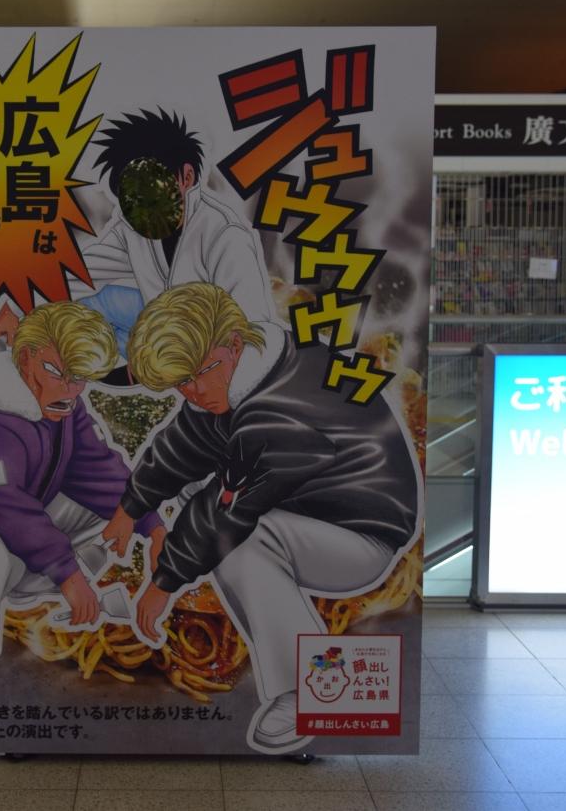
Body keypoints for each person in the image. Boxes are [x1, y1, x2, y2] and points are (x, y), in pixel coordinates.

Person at [101, 283, 420, 753]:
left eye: (198, 375)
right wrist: (131, 507)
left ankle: (304, 691)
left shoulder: (275, 410)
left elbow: (226, 509)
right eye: (180, 383)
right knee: (229, 536)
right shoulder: (244, 371)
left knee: (240, 542)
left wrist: (162, 583)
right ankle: (295, 663)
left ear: (233, 343)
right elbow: (184, 444)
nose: (193, 392)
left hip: (362, 533)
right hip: (311, 509)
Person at [0, 300, 164, 697]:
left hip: (25, 507)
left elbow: (96, 467)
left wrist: (150, 523)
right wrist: (68, 574)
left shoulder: (65, 401)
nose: (69, 391)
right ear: (25, 357)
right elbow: (0, 505)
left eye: (79, 378)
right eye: (57, 373)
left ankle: (30, 583)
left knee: (114, 516)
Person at [74, 108, 276, 360]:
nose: (141, 207)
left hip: (210, 355)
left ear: (186, 177)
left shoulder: (225, 233)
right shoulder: (132, 226)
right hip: (163, 343)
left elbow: (253, 325)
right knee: (91, 307)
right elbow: (80, 273)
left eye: (152, 189)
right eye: (130, 195)